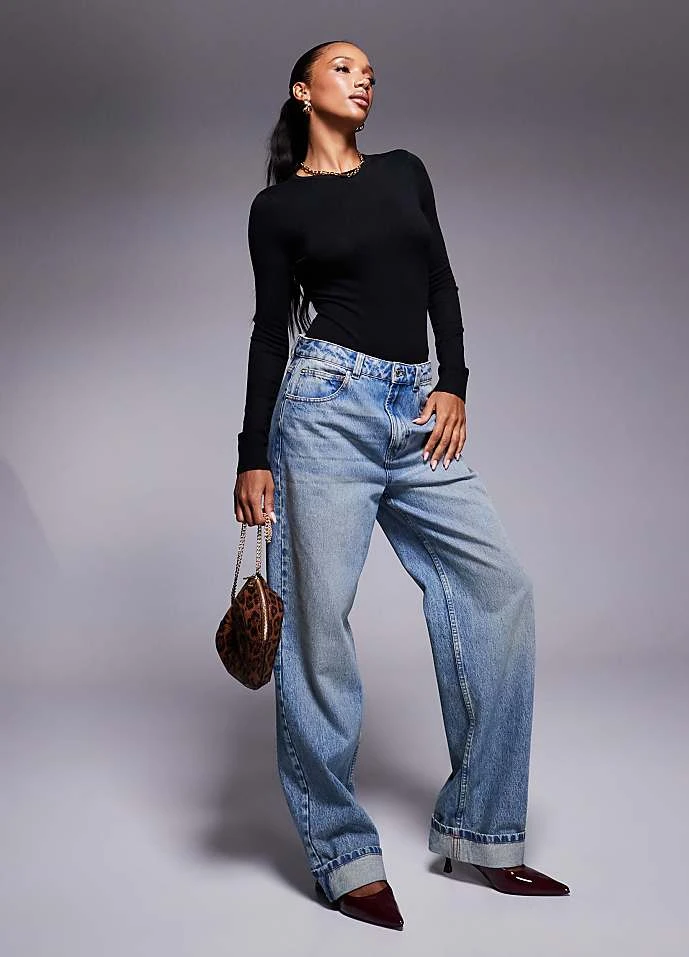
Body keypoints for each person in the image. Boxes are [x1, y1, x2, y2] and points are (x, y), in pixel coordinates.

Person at [233, 39, 570, 931]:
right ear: (303, 90)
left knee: (498, 587)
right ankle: (342, 853)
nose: (364, 78)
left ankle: (483, 832)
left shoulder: (406, 171)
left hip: (414, 407)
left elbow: (440, 282)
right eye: (344, 68)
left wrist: (454, 381)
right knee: (319, 627)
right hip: (324, 410)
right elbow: (269, 331)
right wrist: (251, 452)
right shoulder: (278, 208)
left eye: (370, 72)